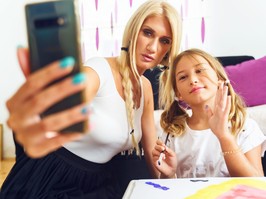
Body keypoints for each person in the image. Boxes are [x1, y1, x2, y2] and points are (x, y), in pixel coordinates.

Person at [0, 0, 182, 198]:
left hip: (98, 182)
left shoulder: (146, 88)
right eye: (148, 33)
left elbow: (151, 157)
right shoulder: (98, 70)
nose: (153, 47)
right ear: (133, 31)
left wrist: (168, 174)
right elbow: (59, 107)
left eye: (165, 41)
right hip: (53, 176)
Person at [152, 48, 266, 178]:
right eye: (183, 77)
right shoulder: (172, 133)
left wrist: (223, 135)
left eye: (199, 71)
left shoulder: (245, 127)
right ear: (178, 93)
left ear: (219, 78)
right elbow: (168, 189)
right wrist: (169, 174)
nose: (193, 80)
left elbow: (255, 184)